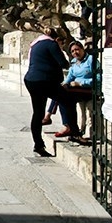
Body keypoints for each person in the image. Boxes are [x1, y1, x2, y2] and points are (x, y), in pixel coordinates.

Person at [23, 27, 73, 157]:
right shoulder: (52, 44)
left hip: (31, 80)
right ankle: (74, 132)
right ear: (58, 39)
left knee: (38, 112)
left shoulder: (36, 44)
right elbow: (63, 63)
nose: (62, 45)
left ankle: (38, 144)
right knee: (68, 100)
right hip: (44, 81)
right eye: (62, 42)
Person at [53, 40, 96, 139]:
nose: (75, 52)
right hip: (76, 90)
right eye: (72, 51)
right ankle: (71, 128)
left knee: (63, 96)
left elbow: (98, 79)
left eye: (77, 49)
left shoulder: (91, 60)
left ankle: (68, 127)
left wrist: (81, 83)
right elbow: (70, 76)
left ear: (82, 49)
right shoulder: (74, 62)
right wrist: (65, 83)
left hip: (88, 89)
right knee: (61, 93)